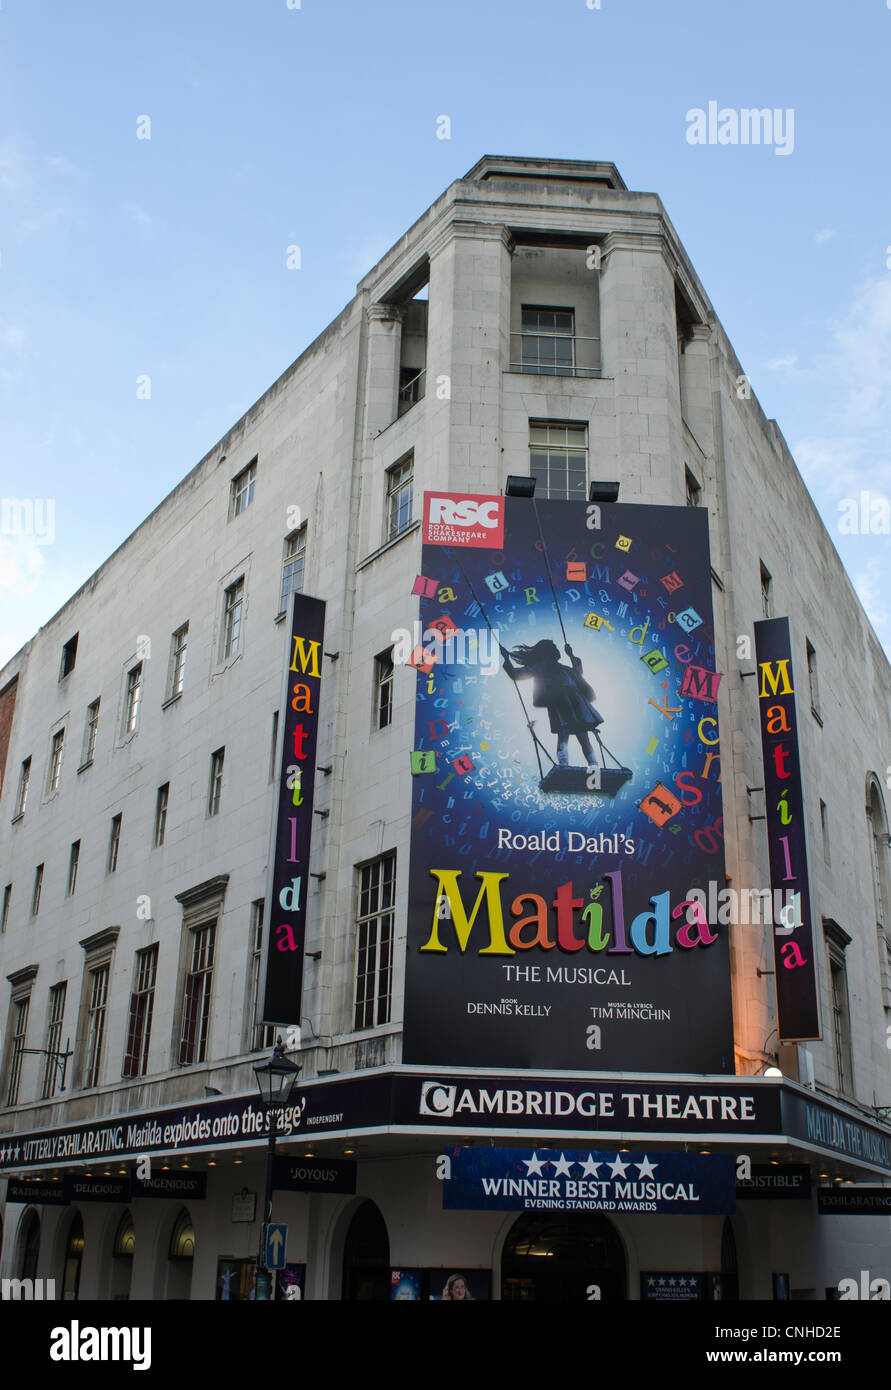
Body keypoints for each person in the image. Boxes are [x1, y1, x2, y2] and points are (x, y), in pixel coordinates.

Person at [501, 639, 602, 771]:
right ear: (547, 652)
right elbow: (516, 674)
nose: (556, 649)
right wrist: (506, 659)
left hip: (576, 705)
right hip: (561, 704)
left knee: (583, 737)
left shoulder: (564, 669)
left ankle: (593, 766)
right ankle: (564, 765)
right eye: (553, 647)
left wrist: (571, 655)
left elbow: (577, 671)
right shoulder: (540, 668)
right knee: (564, 734)